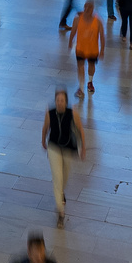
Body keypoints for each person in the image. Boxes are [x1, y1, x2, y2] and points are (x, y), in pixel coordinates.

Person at [41, 89, 85, 228]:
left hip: (67, 148)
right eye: (57, 100)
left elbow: (80, 130)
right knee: (57, 178)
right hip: (54, 147)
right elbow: (45, 128)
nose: (59, 103)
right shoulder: (50, 113)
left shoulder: (72, 113)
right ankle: (61, 212)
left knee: (65, 177)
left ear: (66, 102)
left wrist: (83, 147)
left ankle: (61, 194)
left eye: (62, 100)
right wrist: (43, 141)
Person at [69, 0, 104, 97]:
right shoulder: (78, 19)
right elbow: (73, 31)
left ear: (93, 9)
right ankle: (81, 88)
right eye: (86, 7)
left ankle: (90, 81)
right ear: (84, 7)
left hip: (93, 49)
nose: (87, 9)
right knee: (80, 67)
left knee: (91, 66)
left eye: (90, 7)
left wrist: (102, 50)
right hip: (80, 48)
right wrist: (70, 41)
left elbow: (102, 36)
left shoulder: (98, 21)